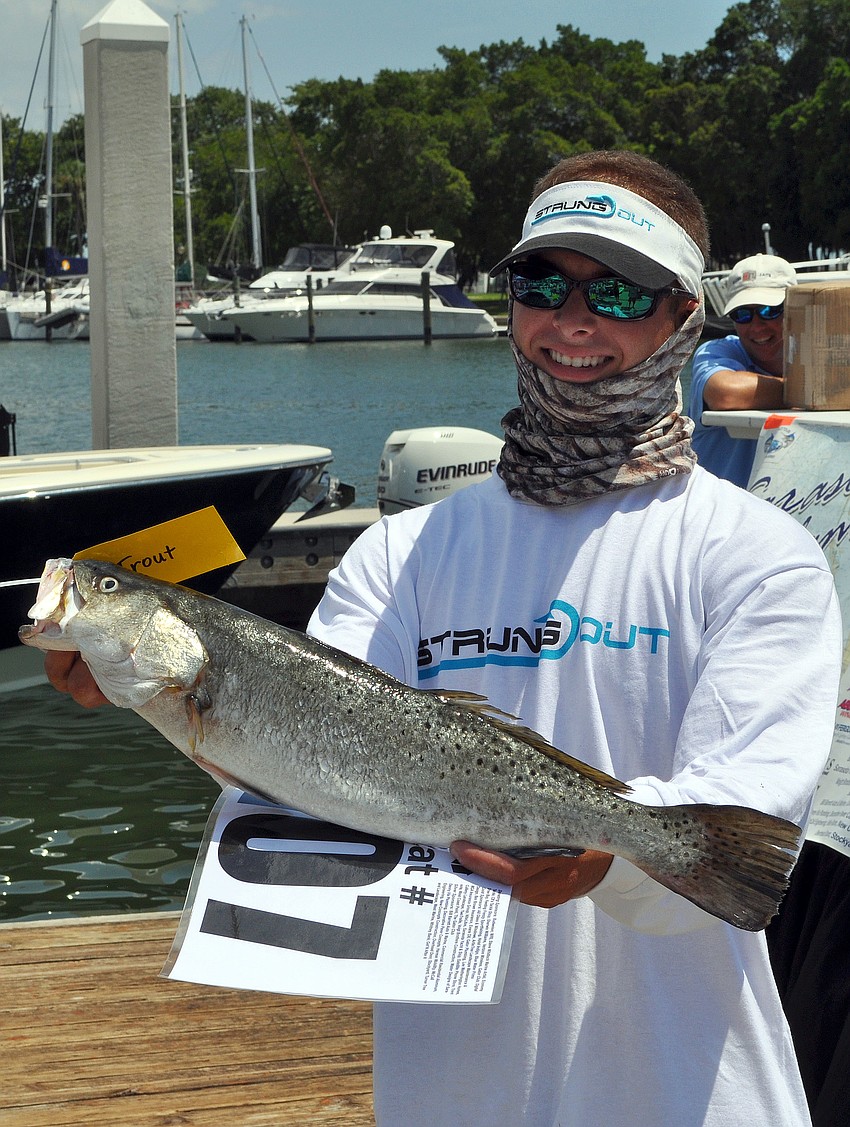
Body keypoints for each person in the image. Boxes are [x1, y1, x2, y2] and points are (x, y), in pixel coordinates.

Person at [46, 151, 842, 1126]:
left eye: (619, 291)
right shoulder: (404, 550)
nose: (572, 319)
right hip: (452, 1090)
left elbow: (745, 820)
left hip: (685, 1089)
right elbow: (305, 768)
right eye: (541, 283)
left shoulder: (762, 554)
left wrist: (608, 852)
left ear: (682, 316)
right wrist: (147, 686)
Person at [688, 253, 796, 487]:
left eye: (769, 310)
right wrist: (819, 391)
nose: (756, 325)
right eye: (743, 314)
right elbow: (725, 393)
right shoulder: (716, 351)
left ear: (796, 307)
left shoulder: (822, 355)